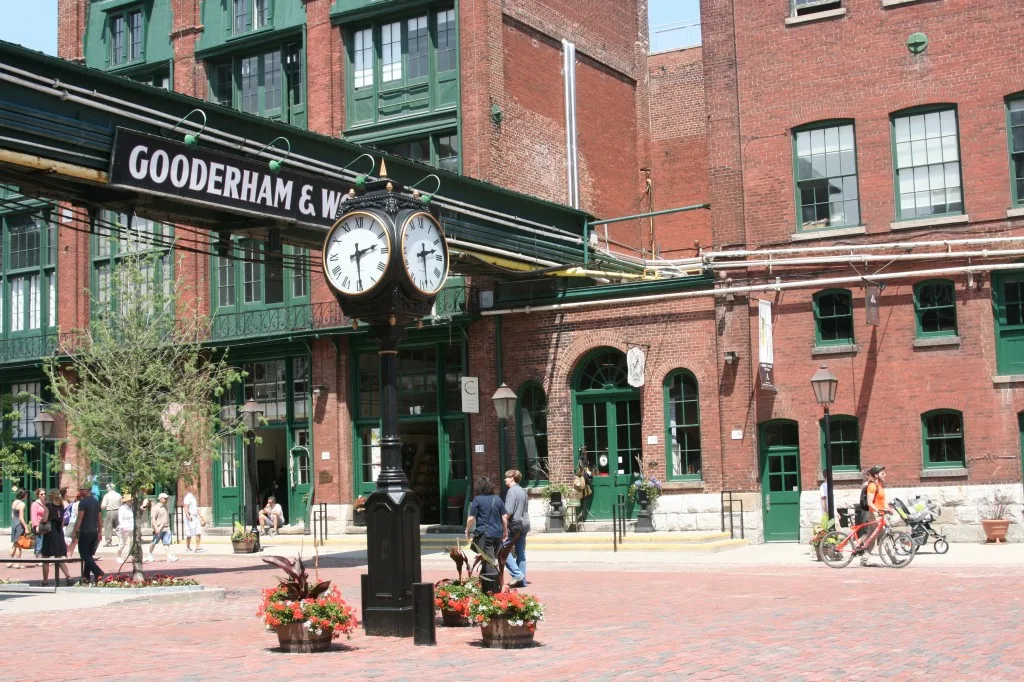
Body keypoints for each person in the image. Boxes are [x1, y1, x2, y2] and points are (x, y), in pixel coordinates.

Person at [465, 477, 507, 595]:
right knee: (489, 558)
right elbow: (504, 516)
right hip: (497, 533)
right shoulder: (497, 499)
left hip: (486, 533)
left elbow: (471, 518)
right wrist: (505, 530)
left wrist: (467, 530)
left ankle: (491, 590)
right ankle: (486, 583)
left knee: (489, 560)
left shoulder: (477, 500)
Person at [71, 484, 104, 584]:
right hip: (93, 532)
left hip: (85, 532)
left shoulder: (83, 502)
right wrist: (99, 531)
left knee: (84, 555)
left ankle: (98, 571)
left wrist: (75, 530)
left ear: (87, 490)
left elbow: (80, 517)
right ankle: (86, 578)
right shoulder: (96, 502)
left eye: (81, 489)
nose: (79, 491)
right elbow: (99, 518)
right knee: (89, 555)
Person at [502, 469, 530, 589]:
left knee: (503, 550)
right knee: (521, 552)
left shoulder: (512, 491)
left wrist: (503, 528)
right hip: (525, 523)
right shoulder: (523, 491)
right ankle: (522, 581)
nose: (505, 479)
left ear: (512, 478)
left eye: (507, 477)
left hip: (515, 524)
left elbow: (508, 512)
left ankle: (518, 574)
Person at [857, 465, 887, 566]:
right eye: (882, 473)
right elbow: (870, 503)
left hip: (879, 514)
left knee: (871, 538)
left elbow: (883, 501)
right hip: (874, 514)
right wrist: (878, 511)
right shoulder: (872, 486)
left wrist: (889, 508)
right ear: (876, 475)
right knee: (884, 535)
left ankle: (864, 559)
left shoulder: (880, 485)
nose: (885, 475)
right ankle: (894, 559)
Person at [40, 489, 71, 586]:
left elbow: (45, 519)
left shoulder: (48, 506)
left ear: (51, 496)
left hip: (49, 533)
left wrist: (40, 521)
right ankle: (68, 576)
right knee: (58, 557)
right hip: (58, 533)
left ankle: (45, 580)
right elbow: (62, 523)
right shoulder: (61, 506)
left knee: (46, 557)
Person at [146, 492, 177, 563]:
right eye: (165, 498)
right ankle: (150, 554)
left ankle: (169, 556)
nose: (166, 500)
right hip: (158, 529)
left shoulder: (166, 507)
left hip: (166, 528)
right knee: (154, 542)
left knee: (167, 543)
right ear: (160, 499)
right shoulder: (156, 508)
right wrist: (156, 528)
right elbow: (153, 518)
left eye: (167, 498)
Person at [7, 489, 28, 568]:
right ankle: (18, 564)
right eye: (26, 494)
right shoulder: (22, 504)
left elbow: (12, 515)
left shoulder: (14, 502)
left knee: (14, 544)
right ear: (24, 495)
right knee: (19, 545)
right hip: (19, 524)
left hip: (14, 523)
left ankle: (9, 562)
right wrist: (26, 527)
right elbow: (21, 517)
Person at [182, 488, 204, 553]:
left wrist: (201, 515)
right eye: (195, 490)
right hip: (190, 517)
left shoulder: (193, 497)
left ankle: (198, 547)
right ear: (191, 490)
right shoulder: (188, 497)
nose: (197, 491)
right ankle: (188, 547)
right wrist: (187, 516)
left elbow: (195, 508)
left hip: (195, 516)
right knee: (189, 533)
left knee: (198, 532)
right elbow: (185, 506)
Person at [116, 495, 134, 563]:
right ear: (126, 501)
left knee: (133, 541)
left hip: (132, 527)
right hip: (125, 528)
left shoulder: (132, 508)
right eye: (130, 500)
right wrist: (123, 527)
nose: (131, 501)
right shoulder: (122, 508)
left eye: (131, 500)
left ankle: (131, 555)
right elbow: (120, 519)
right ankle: (119, 556)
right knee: (123, 543)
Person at [30, 488, 47, 560]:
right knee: (39, 542)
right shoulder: (35, 504)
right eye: (41, 494)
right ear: (38, 495)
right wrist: (36, 526)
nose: (43, 495)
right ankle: (38, 559)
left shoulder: (46, 503)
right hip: (39, 525)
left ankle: (43, 557)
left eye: (44, 494)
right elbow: (33, 516)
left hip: (46, 525)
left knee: (44, 543)